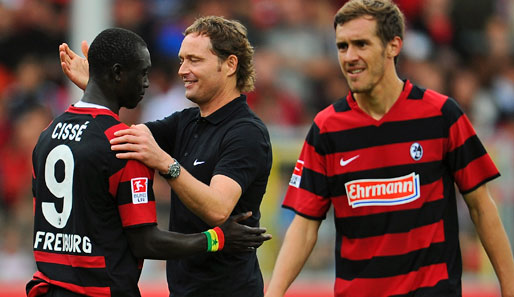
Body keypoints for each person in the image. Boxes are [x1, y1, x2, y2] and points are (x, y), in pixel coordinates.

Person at [264, 0, 514, 296]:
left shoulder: (442, 115)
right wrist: (274, 293)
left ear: (393, 46)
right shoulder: (325, 128)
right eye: (342, 46)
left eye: (361, 44)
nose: (349, 57)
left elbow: (482, 207)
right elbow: (304, 226)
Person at [29, 27, 270, 297]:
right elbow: (112, 137)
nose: (182, 70)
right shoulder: (186, 122)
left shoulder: (246, 132)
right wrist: (101, 84)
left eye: (194, 60)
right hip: (183, 290)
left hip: (228, 290)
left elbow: (218, 209)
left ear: (230, 64)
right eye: (181, 60)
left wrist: (168, 165)